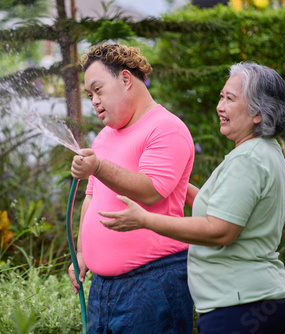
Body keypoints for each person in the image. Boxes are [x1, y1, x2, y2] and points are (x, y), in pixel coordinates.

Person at [99, 62, 285, 333]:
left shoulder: (248, 160)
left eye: (230, 99)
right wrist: (174, 183)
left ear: (258, 113)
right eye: (221, 96)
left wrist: (145, 219)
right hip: (253, 299)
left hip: (240, 306)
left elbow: (219, 230)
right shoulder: (264, 151)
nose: (220, 106)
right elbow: (226, 208)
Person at [69, 43, 195, 333]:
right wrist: (82, 252)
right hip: (103, 288)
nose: (94, 101)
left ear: (126, 79)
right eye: (89, 95)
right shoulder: (104, 136)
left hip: (153, 284)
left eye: (98, 90)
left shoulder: (166, 128)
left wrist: (98, 167)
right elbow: (92, 197)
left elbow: (151, 190)